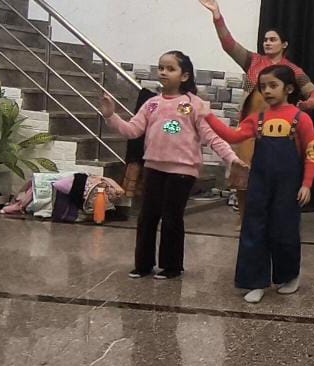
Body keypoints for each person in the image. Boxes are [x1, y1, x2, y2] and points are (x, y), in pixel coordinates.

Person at [100, 51, 244, 279]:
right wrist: (111, 116)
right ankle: (143, 265)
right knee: (147, 217)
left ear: (184, 75)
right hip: (153, 168)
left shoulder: (193, 104)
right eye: (161, 68)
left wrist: (231, 159)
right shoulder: (151, 104)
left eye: (170, 68)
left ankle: (172, 267)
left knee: (171, 217)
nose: (163, 72)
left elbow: (211, 137)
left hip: (182, 171)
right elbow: (133, 130)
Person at [198, 0, 314, 224]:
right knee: (243, 176)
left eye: (273, 39)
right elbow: (228, 44)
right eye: (265, 39)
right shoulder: (252, 61)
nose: (267, 43)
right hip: (250, 126)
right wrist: (217, 16)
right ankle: (245, 218)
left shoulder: (292, 70)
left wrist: (307, 105)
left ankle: (271, 220)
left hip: (278, 131)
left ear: (284, 44)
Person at [204, 65, 314, 304]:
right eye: (263, 86)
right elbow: (232, 136)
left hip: (288, 185)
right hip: (260, 182)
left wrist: (306, 184)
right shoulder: (257, 119)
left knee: (284, 230)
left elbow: (310, 154)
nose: (267, 91)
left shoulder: (301, 119)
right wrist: (207, 115)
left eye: (273, 86)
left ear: (288, 89)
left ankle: (289, 276)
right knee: (253, 229)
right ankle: (255, 281)